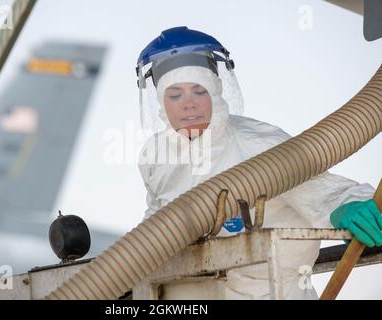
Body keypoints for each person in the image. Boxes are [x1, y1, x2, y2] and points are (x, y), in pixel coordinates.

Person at [136, 26, 381, 299]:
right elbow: (155, 222)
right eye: (175, 95)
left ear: (215, 93)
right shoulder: (156, 156)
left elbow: (323, 188)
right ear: (161, 103)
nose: (188, 104)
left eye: (198, 91)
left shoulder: (258, 143)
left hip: (273, 292)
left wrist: (346, 205)